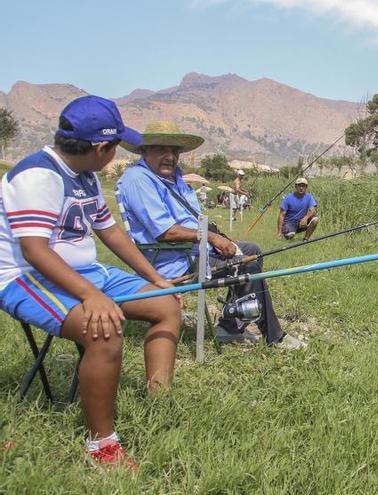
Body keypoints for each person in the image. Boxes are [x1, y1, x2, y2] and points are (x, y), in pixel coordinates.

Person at [0, 96, 181, 469]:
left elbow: (111, 232)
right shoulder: (38, 176)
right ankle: (102, 445)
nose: (117, 152)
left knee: (167, 304)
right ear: (101, 148)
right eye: (117, 145)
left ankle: (159, 402)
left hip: (85, 272)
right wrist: (91, 296)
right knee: (104, 329)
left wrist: (155, 277)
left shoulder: (86, 175)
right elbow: (34, 251)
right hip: (25, 277)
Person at [115, 121, 303, 349]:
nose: (170, 156)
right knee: (248, 267)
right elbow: (165, 232)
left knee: (252, 250)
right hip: (174, 260)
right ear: (144, 150)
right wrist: (212, 238)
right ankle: (274, 337)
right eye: (161, 149)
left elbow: (194, 219)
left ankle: (230, 324)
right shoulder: (138, 178)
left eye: (175, 151)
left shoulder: (175, 177)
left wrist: (219, 237)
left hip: (195, 249)